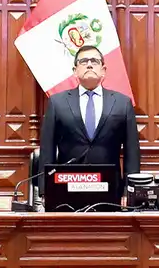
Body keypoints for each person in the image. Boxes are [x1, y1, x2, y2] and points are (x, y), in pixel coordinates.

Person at [39, 45, 140, 200]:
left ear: (103, 70)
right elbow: (47, 149)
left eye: (94, 61)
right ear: (75, 70)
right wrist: (45, 191)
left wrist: (130, 191)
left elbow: (131, 151)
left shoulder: (122, 103)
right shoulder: (57, 102)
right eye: (84, 61)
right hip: (67, 188)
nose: (89, 64)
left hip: (110, 190)